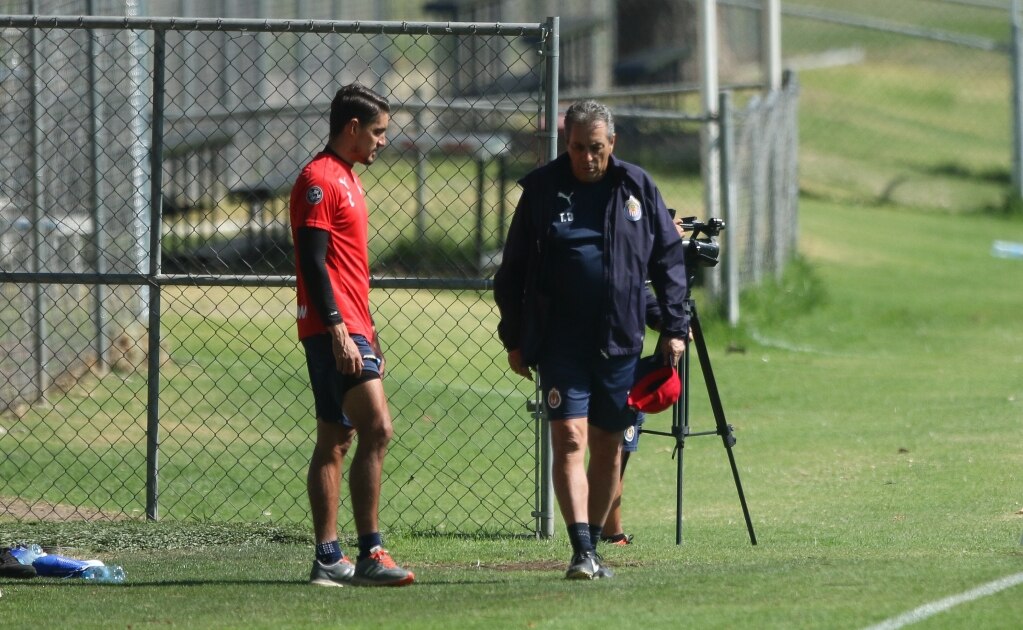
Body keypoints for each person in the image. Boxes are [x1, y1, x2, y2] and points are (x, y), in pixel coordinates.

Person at [493, 99, 690, 579]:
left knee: (609, 446)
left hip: (619, 341)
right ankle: (581, 550)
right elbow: (512, 272)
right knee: (569, 438)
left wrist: (674, 327)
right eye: (578, 148)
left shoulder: (636, 187)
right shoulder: (541, 190)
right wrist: (515, 338)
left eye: (596, 148)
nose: (586, 158)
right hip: (561, 344)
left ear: (612, 144)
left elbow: (668, 261)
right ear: (567, 144)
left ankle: (596, 545)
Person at [290, 82, 414, 587]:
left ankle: (327, 558)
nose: (384, 142)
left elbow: (346, 268)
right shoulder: (319, 179)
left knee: (337, 439)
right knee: (378, 428)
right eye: (379, 132)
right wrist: (340, 330)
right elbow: (314, 265)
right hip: (333, 329)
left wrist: (369, 328)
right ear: (354, 128)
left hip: (353, 325)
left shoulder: (347, 177)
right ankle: (369, 553)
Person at [602, 215, 690, 547]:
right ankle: (601, 531)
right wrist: (664, 245)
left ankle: (611, 531)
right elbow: (628, 291)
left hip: (622, 352)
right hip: (610, 358)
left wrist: (672, 325)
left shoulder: (629, 258)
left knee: (618, 446)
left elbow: (638, 295)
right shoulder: (620, 248)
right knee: (614, 446)